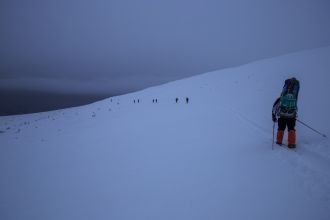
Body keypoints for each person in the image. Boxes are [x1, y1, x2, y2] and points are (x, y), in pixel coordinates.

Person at [272, 77, 300, 148]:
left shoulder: (281, 98)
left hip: (282, 115)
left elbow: (274, 106)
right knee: (291, 128)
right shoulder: (294, 97)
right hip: (291, 115)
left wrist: (273, 116)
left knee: (281, 128)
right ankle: (291, 143)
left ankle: (279, 141)